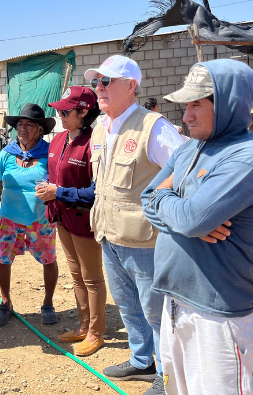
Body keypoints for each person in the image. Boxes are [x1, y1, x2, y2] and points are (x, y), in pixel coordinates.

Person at [142, 60, 253, 395]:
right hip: (175, 300)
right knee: (177, 388)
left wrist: (183, 214)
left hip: (217, 313)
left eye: (196, 104)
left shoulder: (247, 159)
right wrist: (184, 217)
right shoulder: (188, 149)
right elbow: (148, 198)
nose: (185, 116)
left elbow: (192, 219)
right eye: (186, 105)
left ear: (229, 104)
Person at [84, 55, 185, 395]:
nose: (99, 88)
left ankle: (167, 375)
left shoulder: (153, 126)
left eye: (106, 82)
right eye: (97, 82)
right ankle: (142, 360)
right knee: (127, 304)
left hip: (145, 239)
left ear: (131, 86)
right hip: (109, 233)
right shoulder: (101, 126)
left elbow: (184, 170)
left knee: (156, 311)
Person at [36, 86, 107, 357]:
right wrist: (48, 191)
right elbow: (56, 177)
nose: (60, 115)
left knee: (91, 278)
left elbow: (97, 190)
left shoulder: (94, 143)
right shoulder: (59, 140)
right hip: (62, 217)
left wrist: (59, 192)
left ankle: (96, 332)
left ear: (84, 112)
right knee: (76, 274)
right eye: (59, 111)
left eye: (66, 111)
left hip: (84, 219)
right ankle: (83, 324)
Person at [0, 104, 59, 327]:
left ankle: (47, 303)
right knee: (3, 259)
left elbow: (57, 184)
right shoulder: (7, 154)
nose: (23, 128)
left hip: (41, 220)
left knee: (48, 260)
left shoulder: (49, 155)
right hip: (9, 219)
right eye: (20, 125)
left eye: (29, 125)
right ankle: (6, 303)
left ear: (40, 129)